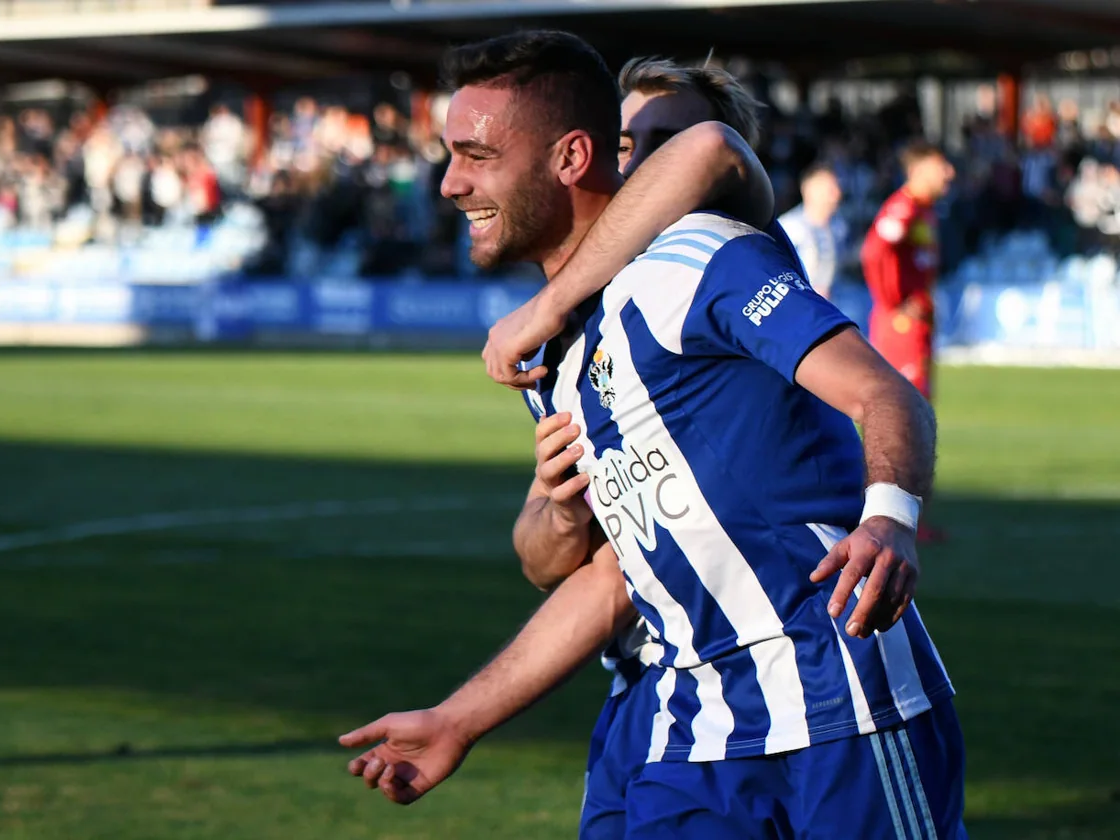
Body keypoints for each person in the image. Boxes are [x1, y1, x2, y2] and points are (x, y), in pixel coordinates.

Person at [342, 33, 964, 839]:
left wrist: (889, 517)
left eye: (473, 155)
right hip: (690, 718)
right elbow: (608, 576)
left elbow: (889, 397)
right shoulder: (558, 358)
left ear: (570, 156)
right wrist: (461, 717)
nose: (450, 184)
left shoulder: (699, 255)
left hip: (837, 691)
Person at [860, 141, 955, 546]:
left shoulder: (923, 210)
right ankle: (889, 517)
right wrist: (895, 301)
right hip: (901, 327)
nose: (949, 173)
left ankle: (911, 518)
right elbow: (874, 251)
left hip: (916, 325)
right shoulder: (902, 209)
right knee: (903, 416)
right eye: (940, 166)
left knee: (916, 415)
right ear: (919, 170)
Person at [778, 162, 845, 300]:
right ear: (809, 190)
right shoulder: (790, 227)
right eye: (829, 189)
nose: (836, 194)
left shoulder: (839, 226)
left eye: (837, 187)